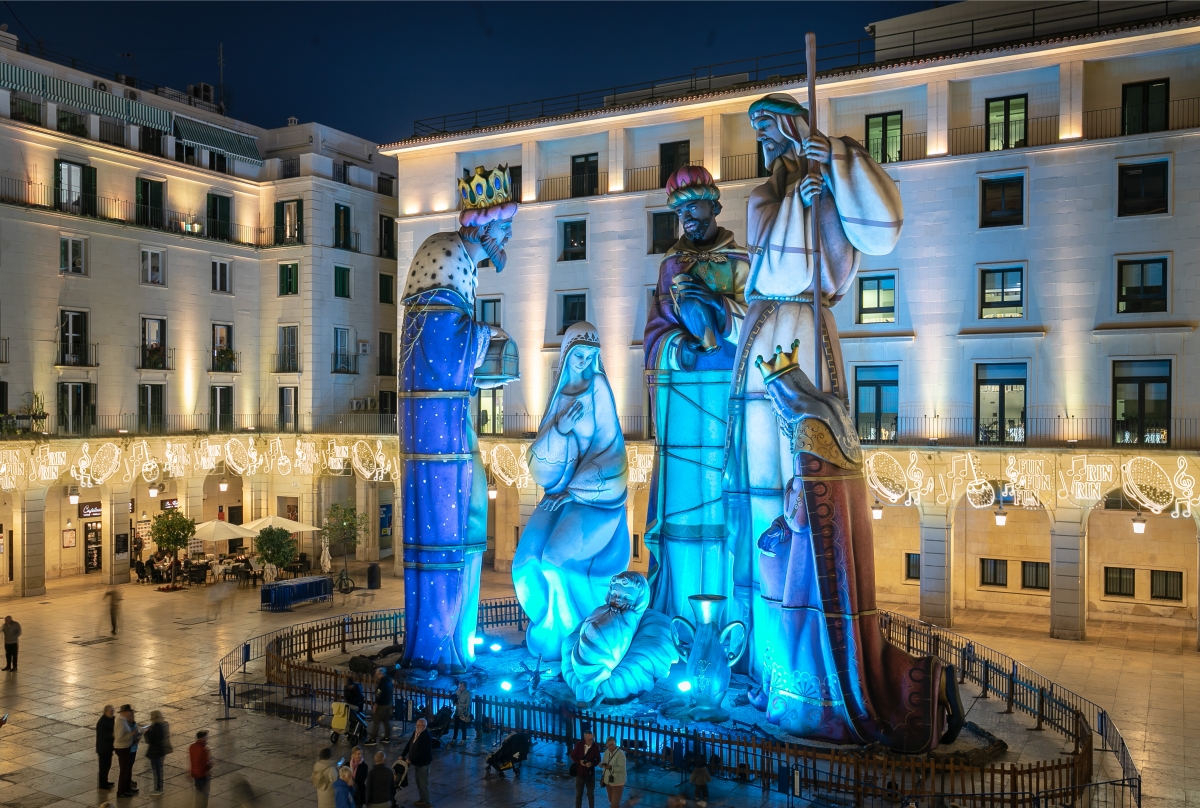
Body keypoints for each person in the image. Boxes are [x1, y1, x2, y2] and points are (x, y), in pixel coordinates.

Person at [400, 164, 518, 673]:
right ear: (483, 227)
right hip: (434, 429)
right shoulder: (442, 255)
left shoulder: (461, 265)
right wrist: (482, 336)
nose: (507, 238)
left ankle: (457, 634)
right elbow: (439, 344)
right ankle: (439, 643)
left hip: (452, 420)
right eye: (505, 228)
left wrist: (482, 339)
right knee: (445, 527)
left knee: (468, 523)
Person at [642, 165, 750, 621]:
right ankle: (678, 610)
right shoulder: (671, 266)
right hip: (684, 398)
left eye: (695, 206)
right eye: (680, 210)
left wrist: (720, 311)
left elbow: (760, 320)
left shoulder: (741, 262)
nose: (688, 216)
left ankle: (731, 616)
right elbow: (653, 331)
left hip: (731, 393)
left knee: (729, 507)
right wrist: (680, 348)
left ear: (715, 206)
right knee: (685, 512)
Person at [512, 322, 630, 661]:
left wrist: (578, 490)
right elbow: (542, 458)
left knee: (556, 562)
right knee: (526, 563)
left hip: (594, 497)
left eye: (591, 355)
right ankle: (548, 629)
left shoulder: (598, 387)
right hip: (558, 494)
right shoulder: (559, 396)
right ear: (566, 355)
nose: (584, 361)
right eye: (578, 355)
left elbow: (610, 445)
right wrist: (560, 431)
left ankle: (578, 636)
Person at [400, 717, 433, 807]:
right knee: (418, 782)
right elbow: (410, 744)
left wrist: (411, 760)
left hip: (423, 763)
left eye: (419, 725)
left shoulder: (426, 736)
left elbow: (422, 751)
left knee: (423, 783)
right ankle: (422, 799)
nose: (417, 726)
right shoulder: (416, 732)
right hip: (416, 762)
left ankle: (428, 803)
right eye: (416, 725)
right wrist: (403, 754)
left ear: (424, 726)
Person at [569, 730, 601, 808]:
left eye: (592, 739)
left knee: (590, 795)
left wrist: (592, 764)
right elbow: (573, 756)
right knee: (579, 794)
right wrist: (579, 762)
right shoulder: (579, 745)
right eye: (589, 739)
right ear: (585, 738)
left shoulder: (595, 747)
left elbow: (598, 759)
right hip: (580, 774)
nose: (591, 741)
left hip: (590, 775)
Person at [113, 704, 140, 797]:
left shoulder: (123, 720)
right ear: (124, 713)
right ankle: (121, 792)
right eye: (129, 711)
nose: (131, 713)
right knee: (124, 771)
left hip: (126, 747)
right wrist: (131, 734)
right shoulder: (120, 722)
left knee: (127, 770)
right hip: (122, 748)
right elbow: (119, 738)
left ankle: (127, 788)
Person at [144, 710, 172, 796]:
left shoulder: (154, 728)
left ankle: (158, 788)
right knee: (159, 770)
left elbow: (149, 740)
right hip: (161, 751)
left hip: (155, 752)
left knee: (156, 771)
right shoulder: (163, 725)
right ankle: (159, 787)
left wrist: (146, 733)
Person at [367, 668, 393, 745]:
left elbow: (379, 695)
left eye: (378, 674)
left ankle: (373, 739)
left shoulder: (382, 683)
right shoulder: (389, 681)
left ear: (381, 674)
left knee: (376, 721)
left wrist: (376, 704)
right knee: (386, 720)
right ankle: (387, 737)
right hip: (388, 703)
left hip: (382, 704)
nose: (377, 676)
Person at [599, 736, 626, 808]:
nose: (610, 747)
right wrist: (601, 765)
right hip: (608, 781)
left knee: (614, 804)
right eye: (609, 745)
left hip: (617, 782)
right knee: (611, 802)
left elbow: (622, 768)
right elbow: (604, 761)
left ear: (615, 744)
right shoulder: (606, 752)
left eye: (612, 745)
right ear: (606, 745)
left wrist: (611, 767)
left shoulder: (620, 754)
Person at [189, 730, 213, 808]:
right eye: (206, 736)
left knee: (198, 792)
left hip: (195, 774)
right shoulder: (204, 749)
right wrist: (210, 762)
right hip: (203, 775)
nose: (207, 738)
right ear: (203, 738)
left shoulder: (192, 747)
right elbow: (205, 764)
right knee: (204, 794)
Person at [95, 704, 115, 789]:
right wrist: (113, 734)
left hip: (108, 747)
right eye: (110, 711)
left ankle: (105, 781)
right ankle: (102, 784)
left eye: (113, 711)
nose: (112, 712)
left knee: (108, 765)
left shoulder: (110, 719)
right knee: (103, 766)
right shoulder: (102, 722)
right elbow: (103, 735)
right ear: (106, 712)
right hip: (103, 748)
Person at [689, 743, 711, 807]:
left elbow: (693, 776)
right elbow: (707, 776)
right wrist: (709, 780)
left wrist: (691, 781)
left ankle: (697, 797)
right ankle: (705, 796)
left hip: (698, 782)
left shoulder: (696, 770)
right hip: (703, 782)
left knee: (697, 790)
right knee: (704, 789)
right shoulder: (704, 769)